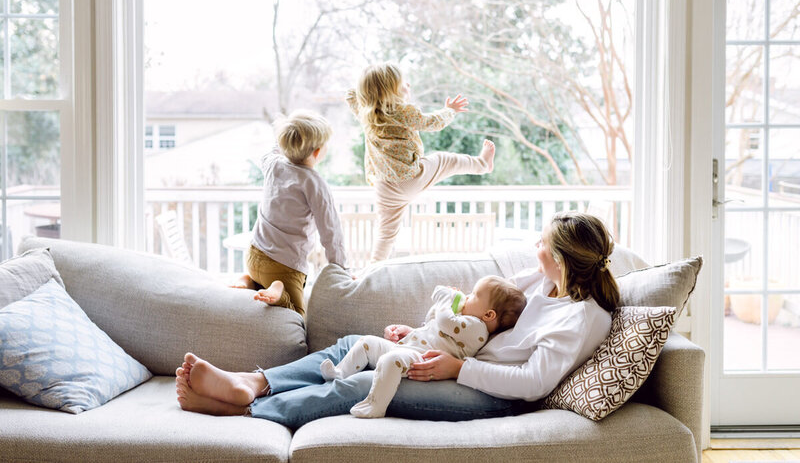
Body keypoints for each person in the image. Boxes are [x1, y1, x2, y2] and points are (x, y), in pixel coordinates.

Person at [175, 211, 619, 429]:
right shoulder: (543, 281)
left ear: (560, 259)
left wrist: (459, 368)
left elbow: (532, 384)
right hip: (460, 365)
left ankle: (247, 409)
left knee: (365, 382)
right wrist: (420, 337)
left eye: (541, 241)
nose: (533, 244)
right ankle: (254, 383)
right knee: (353, 343)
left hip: (494, 394)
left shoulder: (582, 319)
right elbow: (476, 313)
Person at [347, 62, 495, 261]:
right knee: (445, 160)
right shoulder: (403, 111)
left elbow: (351, 96)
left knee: (385, 234)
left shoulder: (366, 114)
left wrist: (368, 87)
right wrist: (449, 110)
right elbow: (431, 123)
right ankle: (482, 164)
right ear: (392, 92)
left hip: (384, 186)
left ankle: (370, 271)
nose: (408, 86)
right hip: (410, 179)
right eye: (403, 85)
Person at [320, 276, 527, 418]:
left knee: (389, 361)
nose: (466, 297)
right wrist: (409, 331)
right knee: (367, 342)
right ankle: (340, 373)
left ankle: (376, 405)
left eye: (473, 295)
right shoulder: (463, 320)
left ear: (489, 315)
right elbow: (433, 321)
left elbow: (445, 321)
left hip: (423, 358)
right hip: (409, 347)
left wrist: (447, 299)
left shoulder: (477, 330)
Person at [231, 110, 347, 317]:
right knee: (298, 316)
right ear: (318, 152)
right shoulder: (314, 183)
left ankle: (249, 281)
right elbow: (331, 233)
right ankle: (279, 289)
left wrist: (285, 130)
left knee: (260, 283)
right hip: (283, 268)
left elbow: (273, 149)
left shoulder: (273, 164)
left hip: (254, 255)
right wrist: (341, 270)